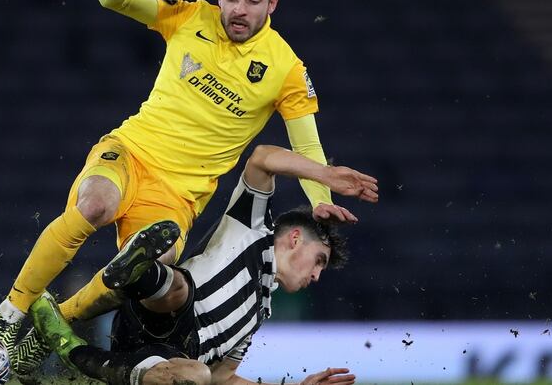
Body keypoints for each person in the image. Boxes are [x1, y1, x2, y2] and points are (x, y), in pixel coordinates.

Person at [0, 0, 361, 376]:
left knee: (147, 273)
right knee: (94, 205)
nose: (240, 9)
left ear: (272, 3)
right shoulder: (189, 17)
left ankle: (54, 326)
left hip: (179, 196)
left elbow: (308, 147)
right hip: (131, 152)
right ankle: (7, 320)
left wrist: (319, 199)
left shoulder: (286, 69)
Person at [28, 145, 377, 385]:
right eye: (319, 260)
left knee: (199, 376)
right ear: (296, 238)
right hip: (163, 306)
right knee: (180, 290)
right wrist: (324, 175)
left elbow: (224, 377)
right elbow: (262, 157)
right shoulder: (254, 228)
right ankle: (139, 270)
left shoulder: (259, 314)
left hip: (161, 356)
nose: (317, 275)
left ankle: (73, 347)